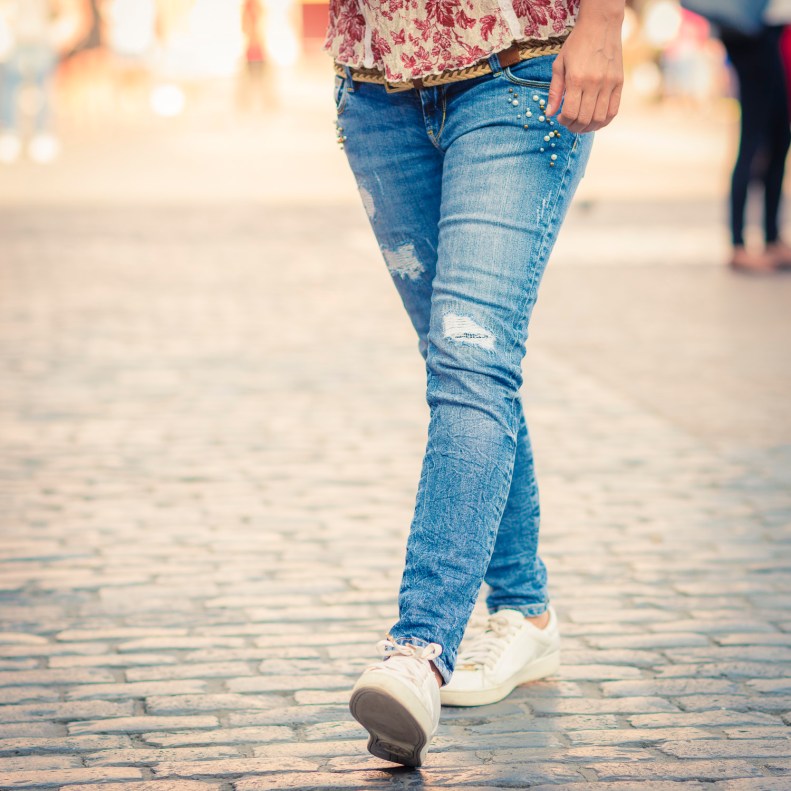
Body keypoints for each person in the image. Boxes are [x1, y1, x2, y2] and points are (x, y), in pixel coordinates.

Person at [325, 0, 624, 768]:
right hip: (376, 84)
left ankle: (418, 650)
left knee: (471, 356)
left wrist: (602, 24)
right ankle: (524, 614)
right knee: (465, 363)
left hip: (521, 70)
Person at [719, 0, 791, 272]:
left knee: (779, 136)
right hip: (754, 30)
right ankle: (738, 245)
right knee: (752, 139)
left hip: (769, 29)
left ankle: (771, 237)